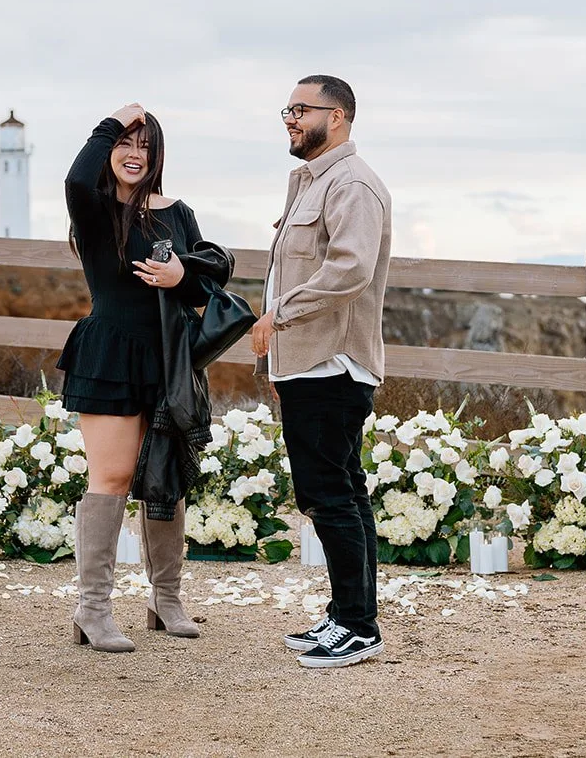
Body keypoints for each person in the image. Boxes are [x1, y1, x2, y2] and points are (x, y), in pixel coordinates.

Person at [59, 103, 213, 652]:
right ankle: (92, 609)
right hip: (110, 355)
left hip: (168, 359)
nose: (134, 153)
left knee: (166, 476)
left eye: (145, 145)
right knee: (114, 475)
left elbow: (204, 292)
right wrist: (113, 119)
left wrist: (181, 275)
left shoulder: (178, 212)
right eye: (125, 142)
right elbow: (78, 174)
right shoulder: (95, 208)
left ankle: (165, 598)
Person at [250, 75, 392, 669]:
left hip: (329, 364)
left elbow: (349, 270)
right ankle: (347, 614)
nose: (288, 117)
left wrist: (278, 315)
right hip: (309, 365)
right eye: (287, 108)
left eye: (299, 109)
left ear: (336, 117)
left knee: (331, 494)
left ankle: (357, 626)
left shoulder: (353, 184)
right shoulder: (313, 182)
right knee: (338, 491)